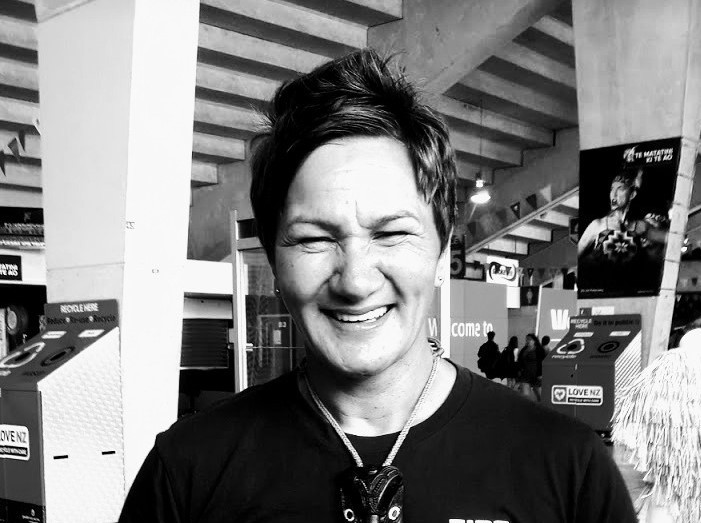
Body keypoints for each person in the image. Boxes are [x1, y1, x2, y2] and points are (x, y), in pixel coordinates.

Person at [119, 49, 636, 522]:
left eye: (391, 233)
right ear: (274, 263)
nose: (356, 280)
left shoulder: (568, 471)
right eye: (314, 239)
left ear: (442, 252)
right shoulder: (186, 471)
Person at [578, 168, 669, 295]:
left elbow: (671, 239)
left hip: (629, 294)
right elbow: (576, 257)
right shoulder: (598, 225)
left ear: (632, 195)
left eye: (620, 189)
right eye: (612, 189)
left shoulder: (639, 226)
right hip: (598, 293)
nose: (613, 194)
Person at [516, 333, 546, 402]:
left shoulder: (539, 350)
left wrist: (541, 374)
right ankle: (527, 407)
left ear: (534, 341)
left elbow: (542, 362)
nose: (528, 341)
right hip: (525, 375)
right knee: (525, 396)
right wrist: (519, 370)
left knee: (540, 396)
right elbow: (520, 361)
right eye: (526, 339)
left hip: (536, 375)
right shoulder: (524, 350)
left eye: (529, 339)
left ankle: (541, 407)